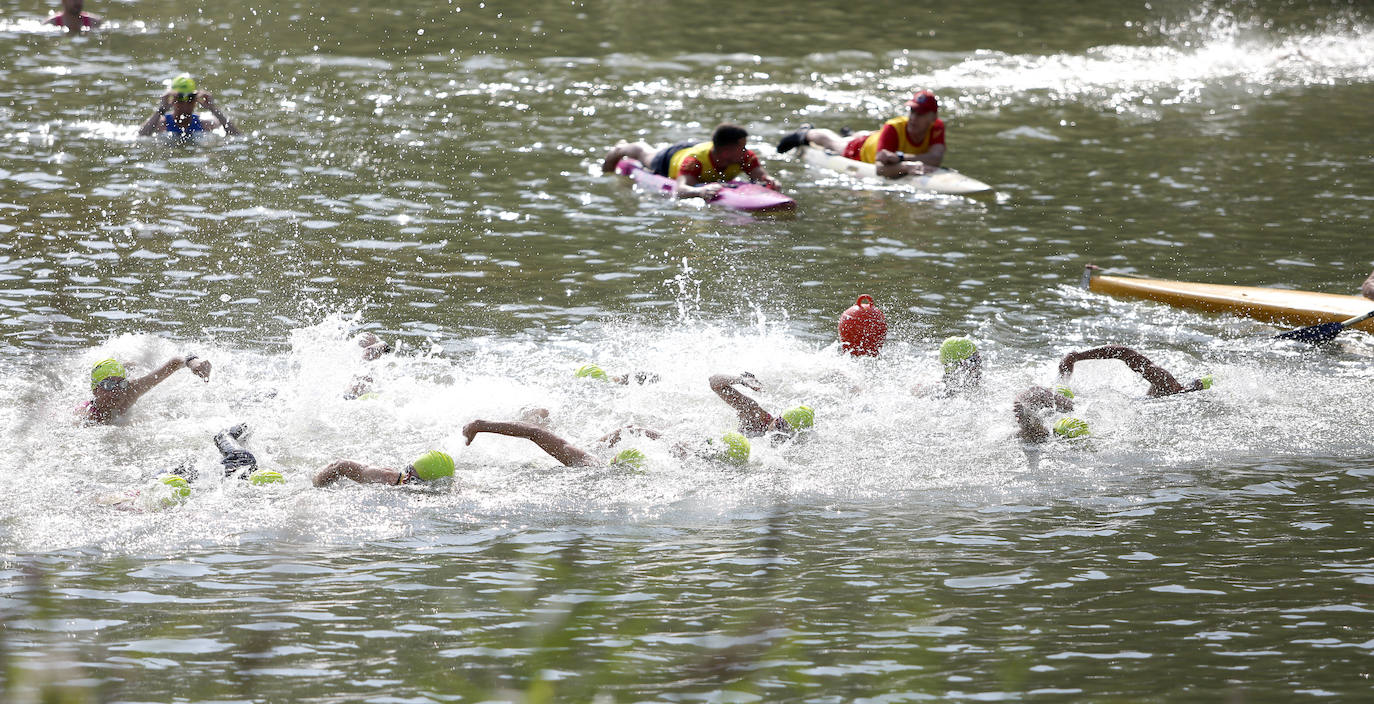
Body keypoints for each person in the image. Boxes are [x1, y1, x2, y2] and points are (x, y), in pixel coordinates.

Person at [462, 417, 751, 469]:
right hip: (597, 450)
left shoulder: (591, 465)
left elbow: (536, 434)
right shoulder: (589, 463)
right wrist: (482, 425)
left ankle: (533, 411)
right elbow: (535, 434)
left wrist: (484, 427)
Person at [777, 90, 946, 178]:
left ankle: (850, 133)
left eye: (921, 114)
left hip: (878, 139)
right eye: (912, 111)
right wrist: (907, 167)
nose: (914, 118)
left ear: (933, 117)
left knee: (859, 135)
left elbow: (936, 158)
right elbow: (880, 169)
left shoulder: (937, 127)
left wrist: (900, 158)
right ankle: (806, 133)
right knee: (835, 143)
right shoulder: (893, 127)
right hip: (863, 150)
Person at [601, 122, 779, 200]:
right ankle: (621, 148)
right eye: (741, 147)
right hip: (671, 159)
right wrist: (701, 192)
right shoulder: (694, 162)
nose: (746, 150)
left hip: (701, 148)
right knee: (645, 155)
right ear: (727, 151)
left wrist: (770, 182)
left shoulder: (745, 157)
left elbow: (760, 175)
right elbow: (681, 190)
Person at [83, 354, 212, 424]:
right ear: (95, 390)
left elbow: (173, 363)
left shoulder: (130, 391)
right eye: (108, 385)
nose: (116, 390)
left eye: (121, 384)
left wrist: (193, 362)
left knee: (137, 367)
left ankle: (130, 364)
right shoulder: (87, 415)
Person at [1057, 345, 1211, 398]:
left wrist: (1077, 356)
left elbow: (1125, 353)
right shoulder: (1166, 384)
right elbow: (1125, 353)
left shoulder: (1168, 386)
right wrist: (1077, 356)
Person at [709, 372, 814, 441]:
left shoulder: (791, 443)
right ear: (777, 417)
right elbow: (714, 381)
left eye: (785, 428)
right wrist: (740, 380)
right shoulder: (756, 416)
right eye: (779, 423)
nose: (778, 430)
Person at [137, 74, 241, 139]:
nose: (185, 104)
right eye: (180, 98)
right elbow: (140, 137)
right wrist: (161, 109)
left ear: (196, 100)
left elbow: (236, 136)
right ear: (172, 100)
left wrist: (213, 108)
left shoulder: (206, 123)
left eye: (190, 98)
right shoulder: (161, 123)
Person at [313, 449, 455, 487]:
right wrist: (316, 484)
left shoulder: (442, 493)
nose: (405, 479)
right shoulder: (389, 478)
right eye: (407, 471)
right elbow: (341, 465)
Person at [1013, 385, 1087, 444]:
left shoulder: (1051, 397)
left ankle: (1029, 419)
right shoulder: (1065, 404)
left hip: (1033, 396)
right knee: (1036, 434)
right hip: (1036, 398)